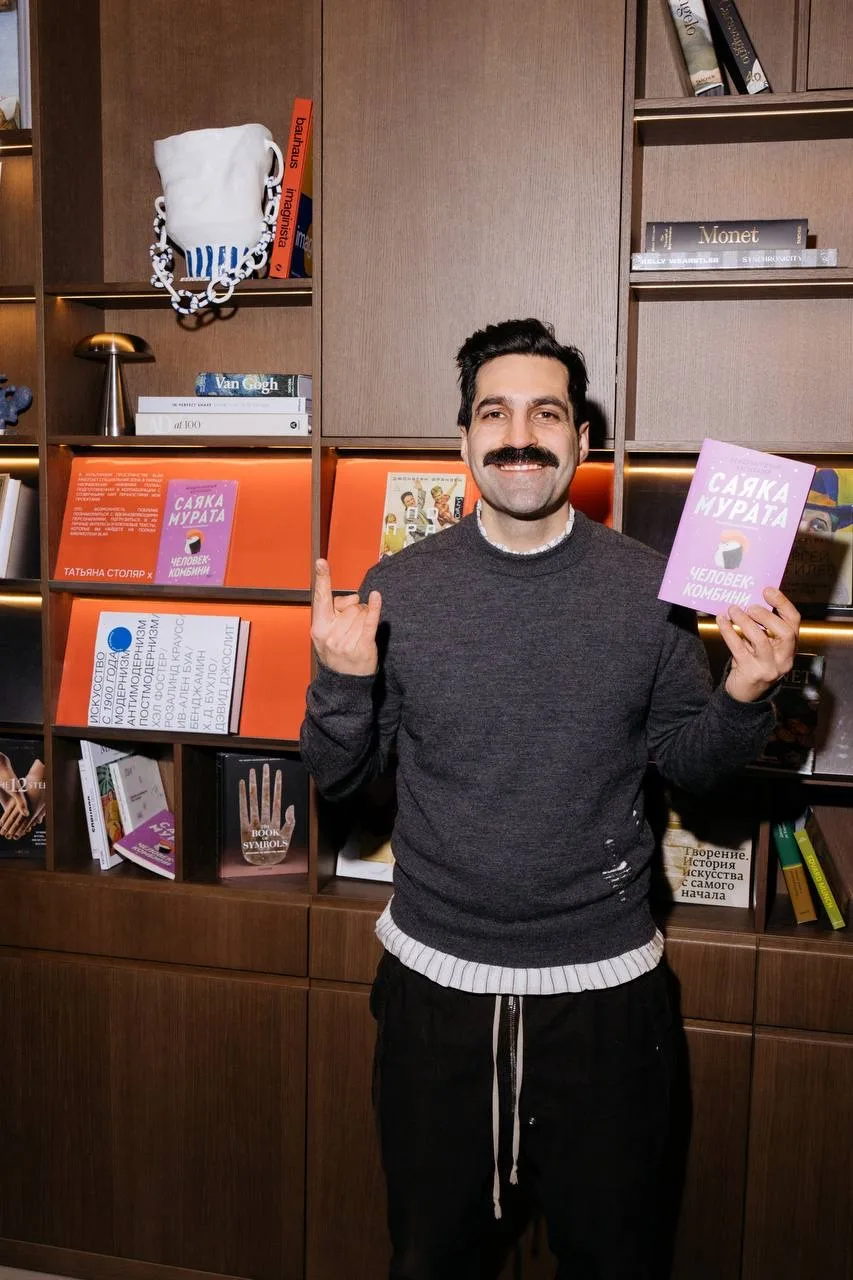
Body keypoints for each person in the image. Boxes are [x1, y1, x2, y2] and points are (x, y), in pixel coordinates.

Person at [300, 318, 799, 1280]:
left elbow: (691, 768)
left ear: (581, 439)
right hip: (436, 987)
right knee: (431, 1258)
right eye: (494, 413)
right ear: (463, 440)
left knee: (613, 1258)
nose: (519, 436)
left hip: (604, 992)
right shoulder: (396, 589)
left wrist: (742, 697)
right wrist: (342, 687)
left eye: (545, 413)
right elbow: (340, 781)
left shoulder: (652, 590)